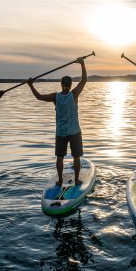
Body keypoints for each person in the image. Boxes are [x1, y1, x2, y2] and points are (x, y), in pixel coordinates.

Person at [26, 57, 87, 186]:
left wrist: (31, 85)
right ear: (70, 85)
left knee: (60, 157)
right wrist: (82, 64)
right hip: (74, 131)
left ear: (61, 84)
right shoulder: (74, 94)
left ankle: (60, 181)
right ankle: (76, 180)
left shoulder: (55, 97)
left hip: (61, 132)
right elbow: (84, 80)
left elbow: (38, 97)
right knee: (77, 157)